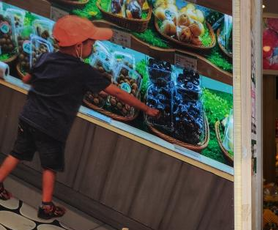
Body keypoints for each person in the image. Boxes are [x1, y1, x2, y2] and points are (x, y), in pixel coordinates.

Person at [0, 15, 159, 219]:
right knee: (49, 166)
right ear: (78, 46)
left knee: (17, 153)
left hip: (29, 116)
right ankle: (46, 206)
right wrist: (146, 109)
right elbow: (117, 93)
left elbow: (29, 78)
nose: (93, 47)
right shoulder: (83, 71)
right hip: (52, 127)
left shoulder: (47, 57)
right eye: (91, 43)